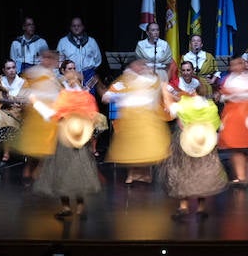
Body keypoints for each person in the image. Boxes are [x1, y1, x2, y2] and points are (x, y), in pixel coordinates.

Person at [31, 59, 107, 218]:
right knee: (64, 170)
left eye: (74, 75)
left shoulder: (82, 97)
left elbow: (92, 116)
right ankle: (67, 207)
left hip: (77, 138)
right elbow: (54, 115)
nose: (72, 79)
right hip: (65, 137)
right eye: (69, 75)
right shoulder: (66, 95)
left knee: (76, 170)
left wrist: (36, 103)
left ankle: (78, 207)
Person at [101, 56, 171, 185]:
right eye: (137, 65)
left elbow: (159, 90)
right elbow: (107, 97)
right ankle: (132, 174)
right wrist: (119, 96)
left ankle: (146, 174)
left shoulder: (149, 79)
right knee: (131, 147)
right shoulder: (125, 80)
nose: (140, 67)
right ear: (132, 67)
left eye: (142, 65)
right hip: (130, 120)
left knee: (148, 146)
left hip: (147, 118)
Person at [162, 84, 229, 218]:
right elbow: (218, 126)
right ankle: (201, 208)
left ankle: (184, 206)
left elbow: (170, 107)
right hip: (204, 142)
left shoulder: (185, 104)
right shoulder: (211, 106)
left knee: (183, 171)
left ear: (193, 91)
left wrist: (165, 90)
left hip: (186, 142)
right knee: (203, 172)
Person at [12, 47, 63, 184]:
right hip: (36, 114)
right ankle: (28, 170)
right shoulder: (32, 73)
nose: (47, 60)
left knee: (47, 147)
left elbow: (58, 94)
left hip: (49, 116)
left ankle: (38, 171)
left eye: (49, 58)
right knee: (33, 147)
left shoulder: (53, 76)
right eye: (44, 57)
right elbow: (24, 92)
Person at [216, 55, 248, 188]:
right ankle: (241, 177)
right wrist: (228, 96)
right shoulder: (229, 79)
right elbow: (223, 96)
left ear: (243, 64)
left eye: (239, 63)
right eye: (233, 65)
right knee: (236, 149)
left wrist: (240, 95)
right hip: (234, 119)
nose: (236, 67)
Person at [57, 16, 104, 93]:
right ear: (70, 27)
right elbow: (59, 62)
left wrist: (89, 70)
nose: (76, 28)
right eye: (74, 26)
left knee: (89, 99)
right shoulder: (63, 42)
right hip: (71, 76)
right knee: (73, 100)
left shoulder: (91, 41)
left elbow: (98, 60)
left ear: (83, 26)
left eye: (78, 26)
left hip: (88, 75)